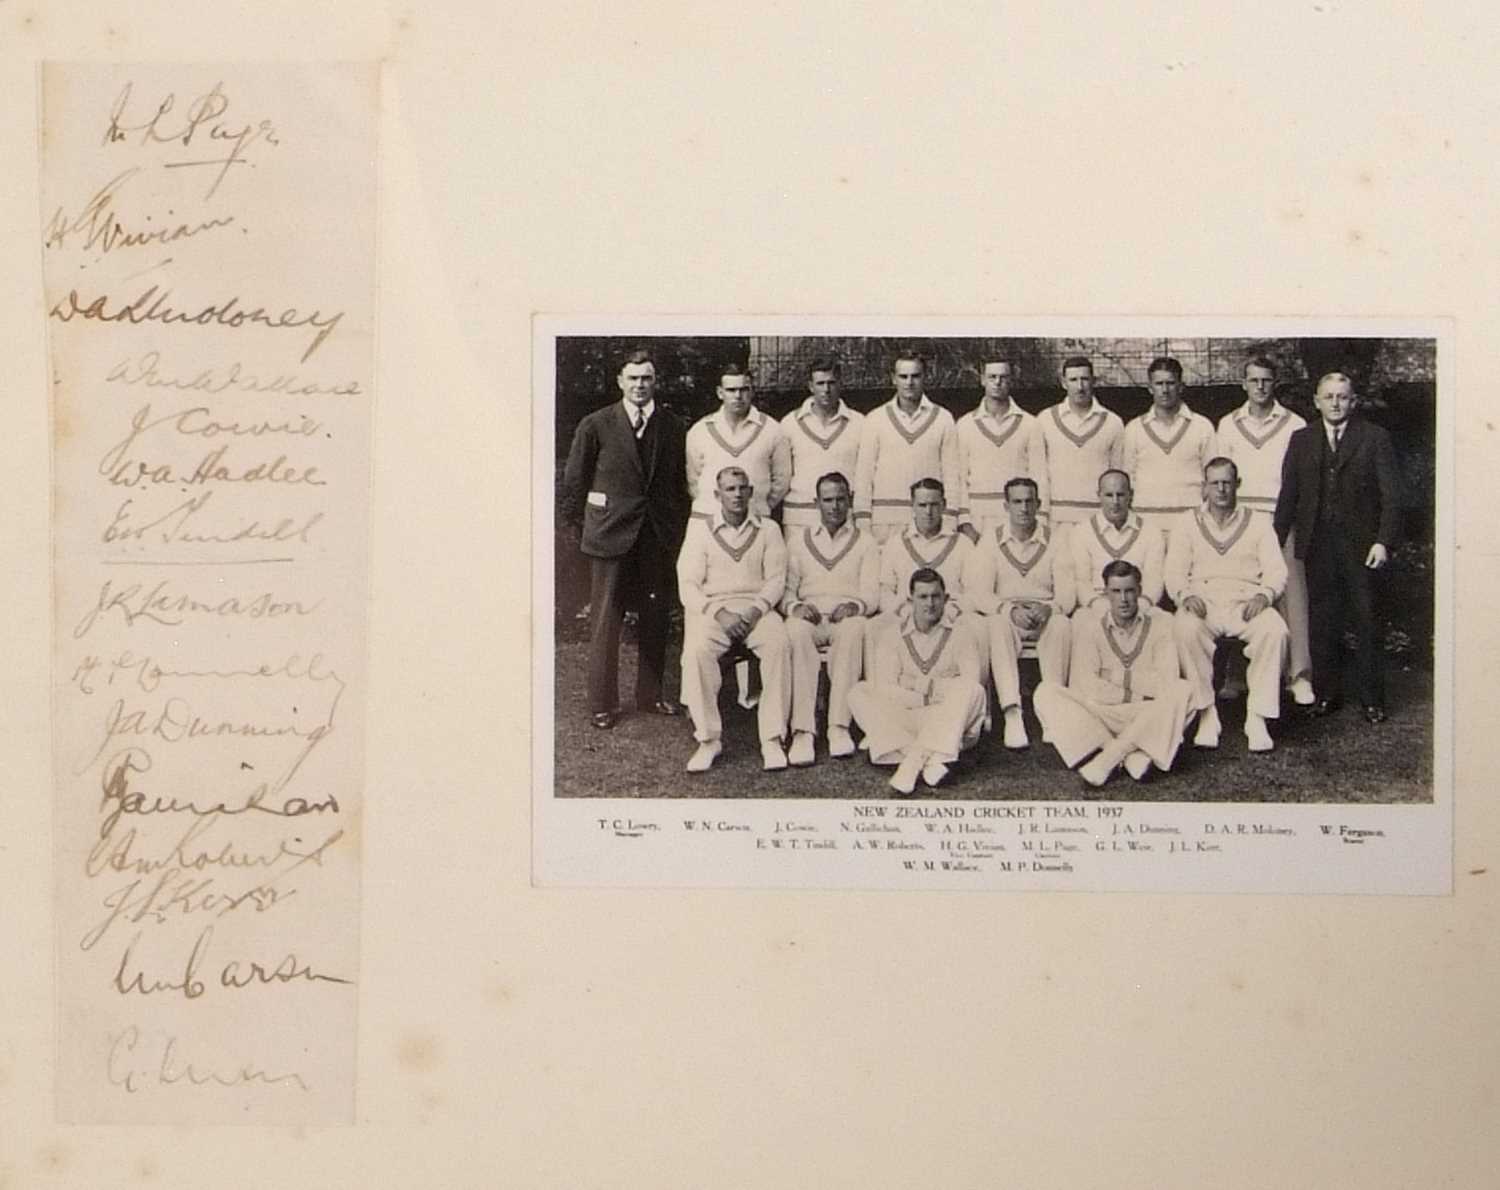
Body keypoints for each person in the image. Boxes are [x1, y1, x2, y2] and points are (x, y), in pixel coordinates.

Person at [562, 348, 689, 730]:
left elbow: (679, 485)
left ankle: (650, 696)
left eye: (646, 378)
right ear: (620, 382)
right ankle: (602, 702)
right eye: (632, 378)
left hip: (655, 538)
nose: (640, 385)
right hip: (610, 537)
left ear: (656, 381)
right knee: (606, 620)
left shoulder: (672, 426)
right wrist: (587, 529)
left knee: (655, 617)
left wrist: (673, 528)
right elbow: (573, 484)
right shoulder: (596, 424)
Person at [1273, 371, 1402, 723]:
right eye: (1328, 396)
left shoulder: (1374, 438)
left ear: (1353, 401)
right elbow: (1289, 497)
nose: (1335, 403)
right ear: (1316, 401)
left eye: (1342, 397)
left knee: (1367, 621)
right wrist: (1271, 545)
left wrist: (1383, 541)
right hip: (1317, 546)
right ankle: (1327, 694)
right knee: (1322, 623)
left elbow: (1392, 498)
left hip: (1362, 548)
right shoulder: (1301, 440)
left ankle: (1372, 699)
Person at [1034, 561, 1196, 788]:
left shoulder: (1161, 625)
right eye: (1116, 592)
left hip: (1146, 713)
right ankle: (1131, 756)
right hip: (1105, 714)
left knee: (1183, 690)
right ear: (1105, 594)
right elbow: (1090, 688)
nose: (1124, 599)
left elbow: (1166, 685)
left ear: (1140, 591)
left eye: (1129, 591)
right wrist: (1141, 689)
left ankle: (1108, 758)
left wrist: (1114, 676)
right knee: (1046, 692)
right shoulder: (1090, 629)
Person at [1166, 457, 1290, 752]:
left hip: (1246, 601)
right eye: (1215, 483)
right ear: (1204, 488)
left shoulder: (1258, 521)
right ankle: (1208, 714)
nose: (1221, 489)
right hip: (1204, 601)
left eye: (1227, 482)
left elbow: (1276, 569)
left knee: (1275, 630)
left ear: (1238, 485)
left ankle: (1257, 716)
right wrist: (1185, 595)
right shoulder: (1187, 522)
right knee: (1184, 629)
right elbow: (1173, 571)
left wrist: (1265, 595)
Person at [676, 467, 792, 773]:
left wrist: (755, 611)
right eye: (730, 489)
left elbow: (776, 580)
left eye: (742, 488)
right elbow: (687, 583)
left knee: (779, 644)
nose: (737, 494)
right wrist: (721, 614)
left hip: (758, 611)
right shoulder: (700, 530)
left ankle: (772, 739)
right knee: (697, 652)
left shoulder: (768, 529)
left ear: (752, 492)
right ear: (717, 495)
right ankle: (709, 739)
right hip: (716, 612)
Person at [1214, 357, 1314, 705]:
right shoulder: (1227, 425)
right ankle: (1235, 674)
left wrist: (1290, 517)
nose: (1260, 386)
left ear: (1275, 384)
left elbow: (1301, 478)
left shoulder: (1295, 424)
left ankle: (1298, 675)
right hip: (1240, 521)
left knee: (1291, 592)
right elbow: (1219, 476)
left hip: (1282, 517)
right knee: (1237, 590)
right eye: (1253, 380)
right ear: (1244, 384)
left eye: (1266, 380)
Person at [848, 568, 987, 795]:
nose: (930, 604)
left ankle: (912, 761)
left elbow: (968, 684)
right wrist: (932, 694)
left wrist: (916, 684)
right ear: (910, 600)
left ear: (946, 599)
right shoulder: (892, 636)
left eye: (936, 596)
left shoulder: (962, 634)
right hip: (909, 716)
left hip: (948, 718)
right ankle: (931, 760)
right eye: (923, 597)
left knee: (973, 690)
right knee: (859, 692)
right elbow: (886, 689)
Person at [964, 477, 1076, 749]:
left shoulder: (1057, 538)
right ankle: (1013, 713)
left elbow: (1067, 593)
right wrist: (1009, 610)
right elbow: (980, 592)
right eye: (1017, 502)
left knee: (1061, 624)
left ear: (1038, 504)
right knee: (996, 624)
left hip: (1043, 615)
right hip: (1009, 616)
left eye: (1029, 501)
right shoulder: (991, 539)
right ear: (1006, 505)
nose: (1024, 508)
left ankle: (1052, 711)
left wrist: (1049, 608)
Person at [782, 471, 880, 763]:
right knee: (795, 632)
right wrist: (794, 607)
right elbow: (786, 591)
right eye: (828, 500)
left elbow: (872, 593)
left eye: (840, 499)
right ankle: (803, 732)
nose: (835, 506)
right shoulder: (799, 541)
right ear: (816, 503)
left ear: (850, 500)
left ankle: (839, 726)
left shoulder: (866, 541)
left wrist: (856, 606)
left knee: (854, 630)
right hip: (809, 618)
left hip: (844, 617)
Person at [872, 477, 982, 676]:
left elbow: (974, 591)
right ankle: (882, 694)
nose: (928, 512)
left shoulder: (962, 543)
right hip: (906, 615)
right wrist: (904, 611)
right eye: (922, 505)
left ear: (944, 505)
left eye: (934, 505)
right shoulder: (896, 543)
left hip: (951, 615)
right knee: (874, 627)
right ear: (912, 506)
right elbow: (885, 590)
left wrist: (953, 610)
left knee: (977, 626)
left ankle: (973, 696)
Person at [854, 350, 963, 544]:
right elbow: (864, 476)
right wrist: (863, 522)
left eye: (915, 376)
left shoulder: (943, 418)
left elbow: (952, 474)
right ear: (893, 379)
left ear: (925, 377)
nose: (909, 382)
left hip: (929, 521)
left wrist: (949, 519)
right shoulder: (875, 419)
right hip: (884, 523)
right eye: (903, 376)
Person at [1121, 357, 1217, 543]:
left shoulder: (1202, 426)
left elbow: (1211, 478)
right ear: (1150, 387)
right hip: (1146, 521)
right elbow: (1127, 477)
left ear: (1181, 386)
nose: (1165, 390)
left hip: (1190, 521)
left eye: (1170, 383)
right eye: (1159, 383)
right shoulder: (1134, 428)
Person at [685, 363, 791, 522]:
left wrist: (760, 506)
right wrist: (712, 507)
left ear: (752, 391)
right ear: (720, 393)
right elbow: (693, 480)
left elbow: (782, 479)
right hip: (708, 520)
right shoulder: (700, 430)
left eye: (744, 389)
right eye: (731, 390)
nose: (738, 396)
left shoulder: (772, 429)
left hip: (756, 520)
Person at [954, 355, 1046, 536]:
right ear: (982, 380)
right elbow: (959, 476)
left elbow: (1039, 474)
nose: (998, 382)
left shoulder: (1031, 424)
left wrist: (1039, 519)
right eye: (992, 377)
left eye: (1003, 377)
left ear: (1011, 380)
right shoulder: (964, 424)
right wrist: (964, 521)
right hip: (977, 516)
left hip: (1018, 515)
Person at [1035, 355, 1125, 531]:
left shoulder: (1113, 422)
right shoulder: (1044, 420)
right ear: (1063, 382)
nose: (1080, 386)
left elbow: (1118, 472)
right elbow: (1039, 473)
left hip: (1099, 519)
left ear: (1094, 381)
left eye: (1085, 379)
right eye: (1074, 380)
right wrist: (1041, 516)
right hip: (1056, 518)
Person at [779, 359, 866, 529]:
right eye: (820, 383)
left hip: (844, 516)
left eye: (831, 383)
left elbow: (864, 475)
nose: (826, 390)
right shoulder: (789, 423)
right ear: (811, 386)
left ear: (840, 384)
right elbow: (781, 476)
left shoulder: (860, 423)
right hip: (799, 518)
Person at [1068, 469, 1166, 613]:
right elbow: (1082, 582)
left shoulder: (1151, 532)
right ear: (1099, 496)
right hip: (1098, 607)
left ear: (1130, 495)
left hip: (1138, 606)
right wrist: (1100, 607)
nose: (1115, 501)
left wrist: (1140, 606)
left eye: (1120, 495)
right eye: (1109, 495)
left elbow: (1154, 580)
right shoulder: (1081, 532)